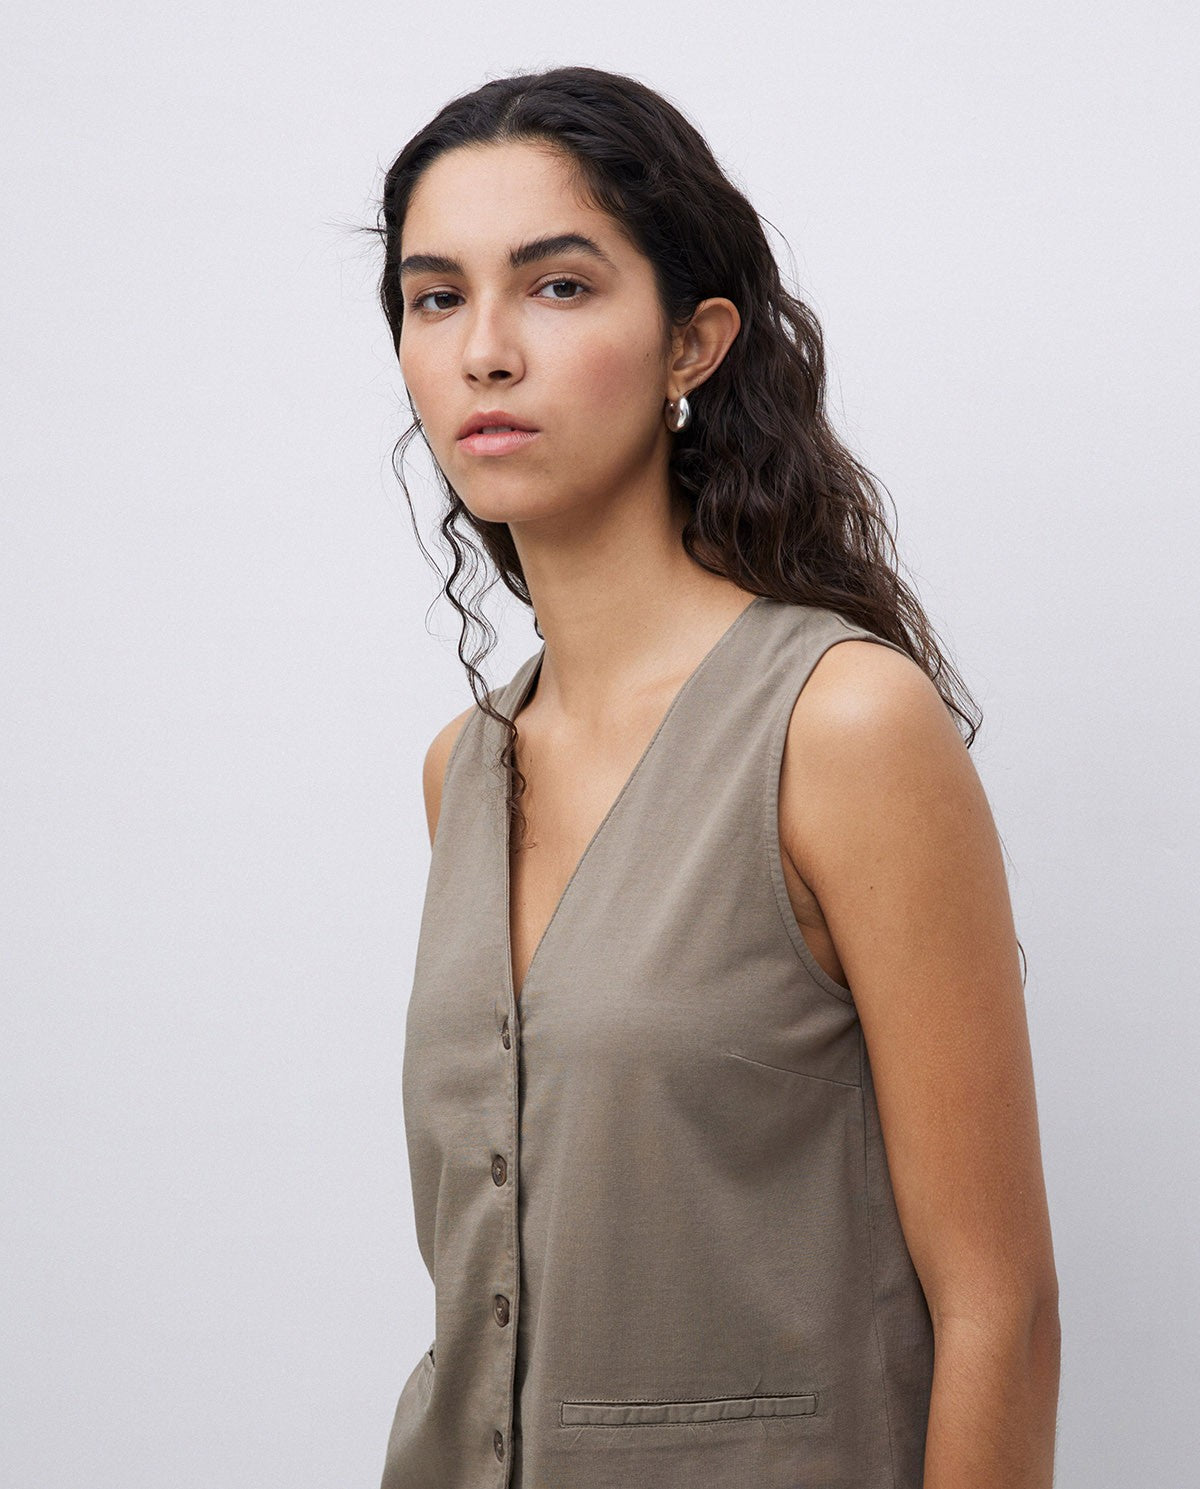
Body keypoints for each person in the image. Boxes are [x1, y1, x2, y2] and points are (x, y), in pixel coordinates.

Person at [367, 65, 1060, 1489]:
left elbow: (1000, 1305)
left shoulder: (840, 725)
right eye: (436, 299)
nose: (486, 350)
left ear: (693, 343)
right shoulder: (464, 769)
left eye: (558, 287)